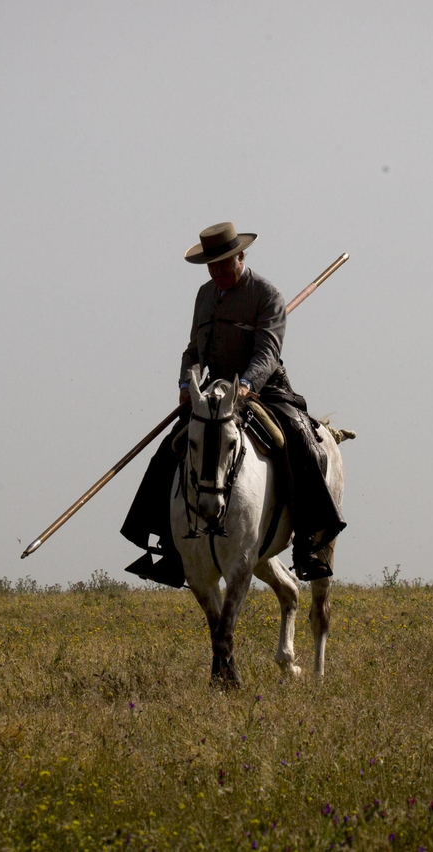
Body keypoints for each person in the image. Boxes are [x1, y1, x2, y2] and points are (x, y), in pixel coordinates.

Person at [120, 222, 345, 586]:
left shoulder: (267, 294)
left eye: (225, 264)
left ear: (241, 257)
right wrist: (185, 383)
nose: (219, 272)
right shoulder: (204, 295)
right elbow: (194, 350)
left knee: (299, 441)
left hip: (265, 389)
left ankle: (307, 542)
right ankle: (168, 547)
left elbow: (268, 351)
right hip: (213, 393)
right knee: (171, 449)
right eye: (212, 266)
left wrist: (246, 385)